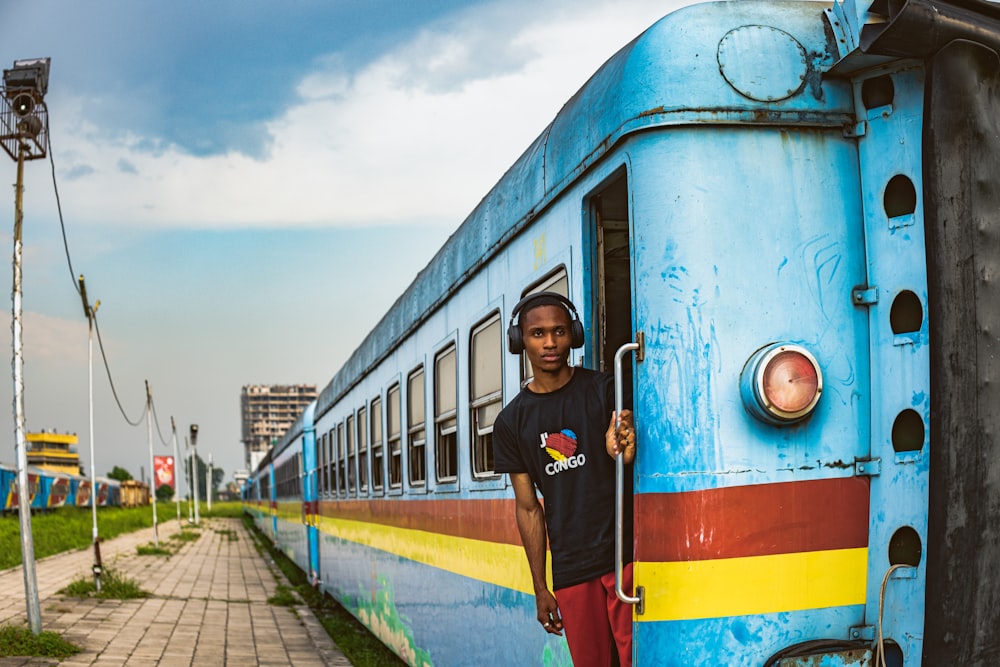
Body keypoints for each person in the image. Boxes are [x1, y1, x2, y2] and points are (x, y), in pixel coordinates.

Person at [493, 291, 636, 667]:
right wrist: (540, 587)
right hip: (572, 568)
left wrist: (619, 452)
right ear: (518, 341)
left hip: (626, 556)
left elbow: (635, 459)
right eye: (537, 334)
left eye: (559, 331)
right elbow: (528, 509)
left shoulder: (607, 389)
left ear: (573, 334)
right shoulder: (511, 422)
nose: (551, 343)